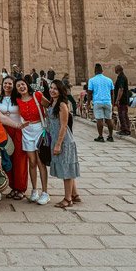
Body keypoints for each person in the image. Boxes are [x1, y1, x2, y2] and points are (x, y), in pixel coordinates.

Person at [0, 76, 29, 200]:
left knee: (20, 159)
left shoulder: (18, 98)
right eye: (5, 83)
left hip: (17, 130)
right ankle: (13, 187)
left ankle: (21, 188)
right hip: (4, 131)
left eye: (10, 84)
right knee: (8, 159)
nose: (7, 86)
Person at [15, 77, 51, 205]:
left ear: (27, 85)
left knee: (41, 162)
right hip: (27, 131)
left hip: (39, 129)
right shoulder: (17, 100)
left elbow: (50, 106)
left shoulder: (37, 95)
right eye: (18, 86)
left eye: (23, 84)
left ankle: (45, 192)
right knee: (32, 162)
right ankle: (34, 190)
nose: (21, 87)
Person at [48, 80, 81, 208]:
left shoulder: (62, 105)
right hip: (58, 139)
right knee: (66, 167)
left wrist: (58, 144)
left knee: (66, 169)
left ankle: (67, 199)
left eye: (55, 89)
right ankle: (75, 194)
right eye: (51, 88)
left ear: (61, 91)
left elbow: (64, 125)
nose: (52, 90)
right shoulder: (53, 103)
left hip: (63, 140)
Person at [88, 63, 115, 142]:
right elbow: (112, 93)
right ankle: (110, 136)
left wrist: (89, 103)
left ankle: (100, 136)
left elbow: (89, 92)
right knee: (108, 119)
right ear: (102, 71)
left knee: (99, 119)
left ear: (95, 71)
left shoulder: (92, 80)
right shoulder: (109, 80)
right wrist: (112, 103)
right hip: (107, 101)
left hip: (98, 101)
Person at [113, 65, 130, 136]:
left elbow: (121, 89)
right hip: (124, 99)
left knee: (122, 114)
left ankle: (125, 130)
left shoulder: (121, 77)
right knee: (123, 114)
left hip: (122, 100)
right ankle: (125, 129)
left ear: (117, 70)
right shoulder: (122, 77)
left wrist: (117, 100)